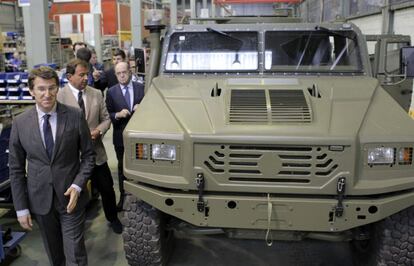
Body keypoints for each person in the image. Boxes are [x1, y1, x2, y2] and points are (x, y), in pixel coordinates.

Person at [9, 66, 95, 266]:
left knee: (75, 254)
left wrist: (78, 185)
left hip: (70, 199)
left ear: (58, 88)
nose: (47, 94)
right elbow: (16, 168)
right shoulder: (20, 123)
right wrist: (21, 208)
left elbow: (89, 156)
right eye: (41, 89)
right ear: (31, 91)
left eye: (51, 88)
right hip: (40, 200)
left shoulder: (74, 116)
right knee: (55, 255)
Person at [57, 59, 122, 234]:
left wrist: (99, 131)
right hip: (71, 157)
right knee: (72, 192)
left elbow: (106, 118)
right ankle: (75, 222)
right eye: (82, 75)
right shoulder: (59, 97)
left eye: (87, 74)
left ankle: (113, 218)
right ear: (70, 77)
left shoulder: (96, 94)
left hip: (95, 153)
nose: (86, 78)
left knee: (107, 188)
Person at [106, 61, 144, 210]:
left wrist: (142, 108)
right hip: (120, 138)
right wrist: (117, 114)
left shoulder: (141, 89)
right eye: (119, 73)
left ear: (130, 72)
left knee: (140, 168)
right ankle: (123, 198)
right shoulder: (111, 92)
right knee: (122, 168)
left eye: (124, 72)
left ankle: (141, 199)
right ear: (115, 75)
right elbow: (107, 114)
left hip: (139, 138)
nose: (122, 75)